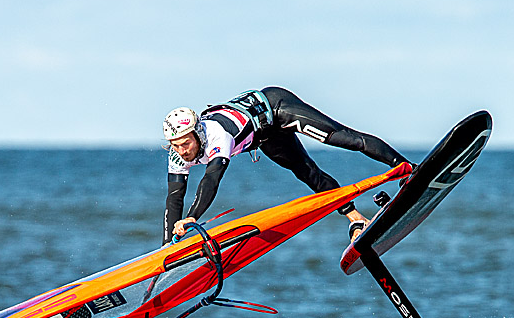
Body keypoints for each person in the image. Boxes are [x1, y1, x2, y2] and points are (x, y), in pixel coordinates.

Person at [161, 86, 410, 246]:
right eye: (175, 146)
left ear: (197, 134)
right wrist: (167, 247)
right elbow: (174, 198)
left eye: (185, 144)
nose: (182, 151)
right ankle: (356, 219)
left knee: (345, 139)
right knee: (306, 172)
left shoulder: (217, 136)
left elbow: (211, 179)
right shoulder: (178, 154)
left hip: (277, 107)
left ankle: (407, 168)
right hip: (265, 136)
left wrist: (192, 217)